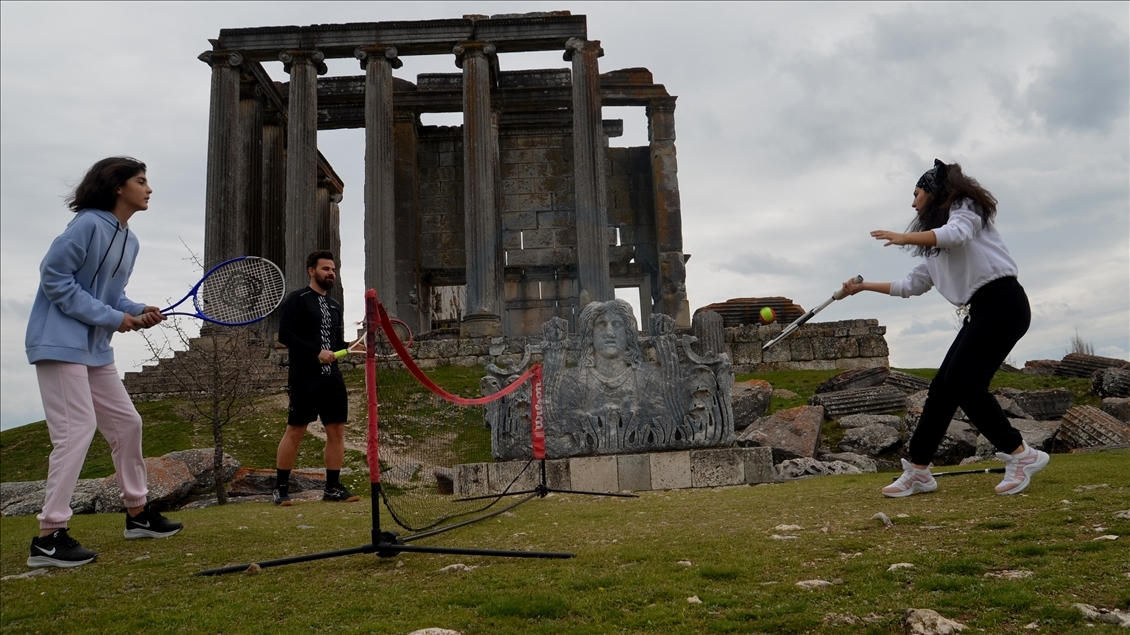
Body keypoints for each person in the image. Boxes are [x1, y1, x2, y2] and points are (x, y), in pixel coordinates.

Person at [842, 159, 1049, 498]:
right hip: (982, 309)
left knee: (965, 383)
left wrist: (905, 236)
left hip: (1004, 302)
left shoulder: (965, 208)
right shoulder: (936, 248)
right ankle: (919, 471)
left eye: (916, 193)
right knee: (943, 388)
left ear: (933, 191)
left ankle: (1021, 455)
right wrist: (863, 287)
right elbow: (911, 284)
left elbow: (957, 234)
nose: (912, 203)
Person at [24, 157, 183, 568]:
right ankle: (48, 537)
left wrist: (136, 309)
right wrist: (116, 318)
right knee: (76, 431)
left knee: (128, 424)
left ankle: (137, 514)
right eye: (141, 181)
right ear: (117, 186)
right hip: (59, 344)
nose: (149, 189)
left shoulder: (130, 240)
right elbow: (55, 277)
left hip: (95, 349)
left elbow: (111, 295)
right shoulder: (88, 224)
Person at [272, 250, 359, 505]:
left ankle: (332, 489)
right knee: (296, 431)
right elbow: (285, 335)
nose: (330, 273)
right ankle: (280, 489)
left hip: (332, 378)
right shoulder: (297, 299)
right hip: (304, 377)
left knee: (337, 430)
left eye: (333, 269)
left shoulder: (335, 306)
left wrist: (351, 345)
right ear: (312, 271)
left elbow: (333, 344)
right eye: (325, 269)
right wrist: (315, 352)